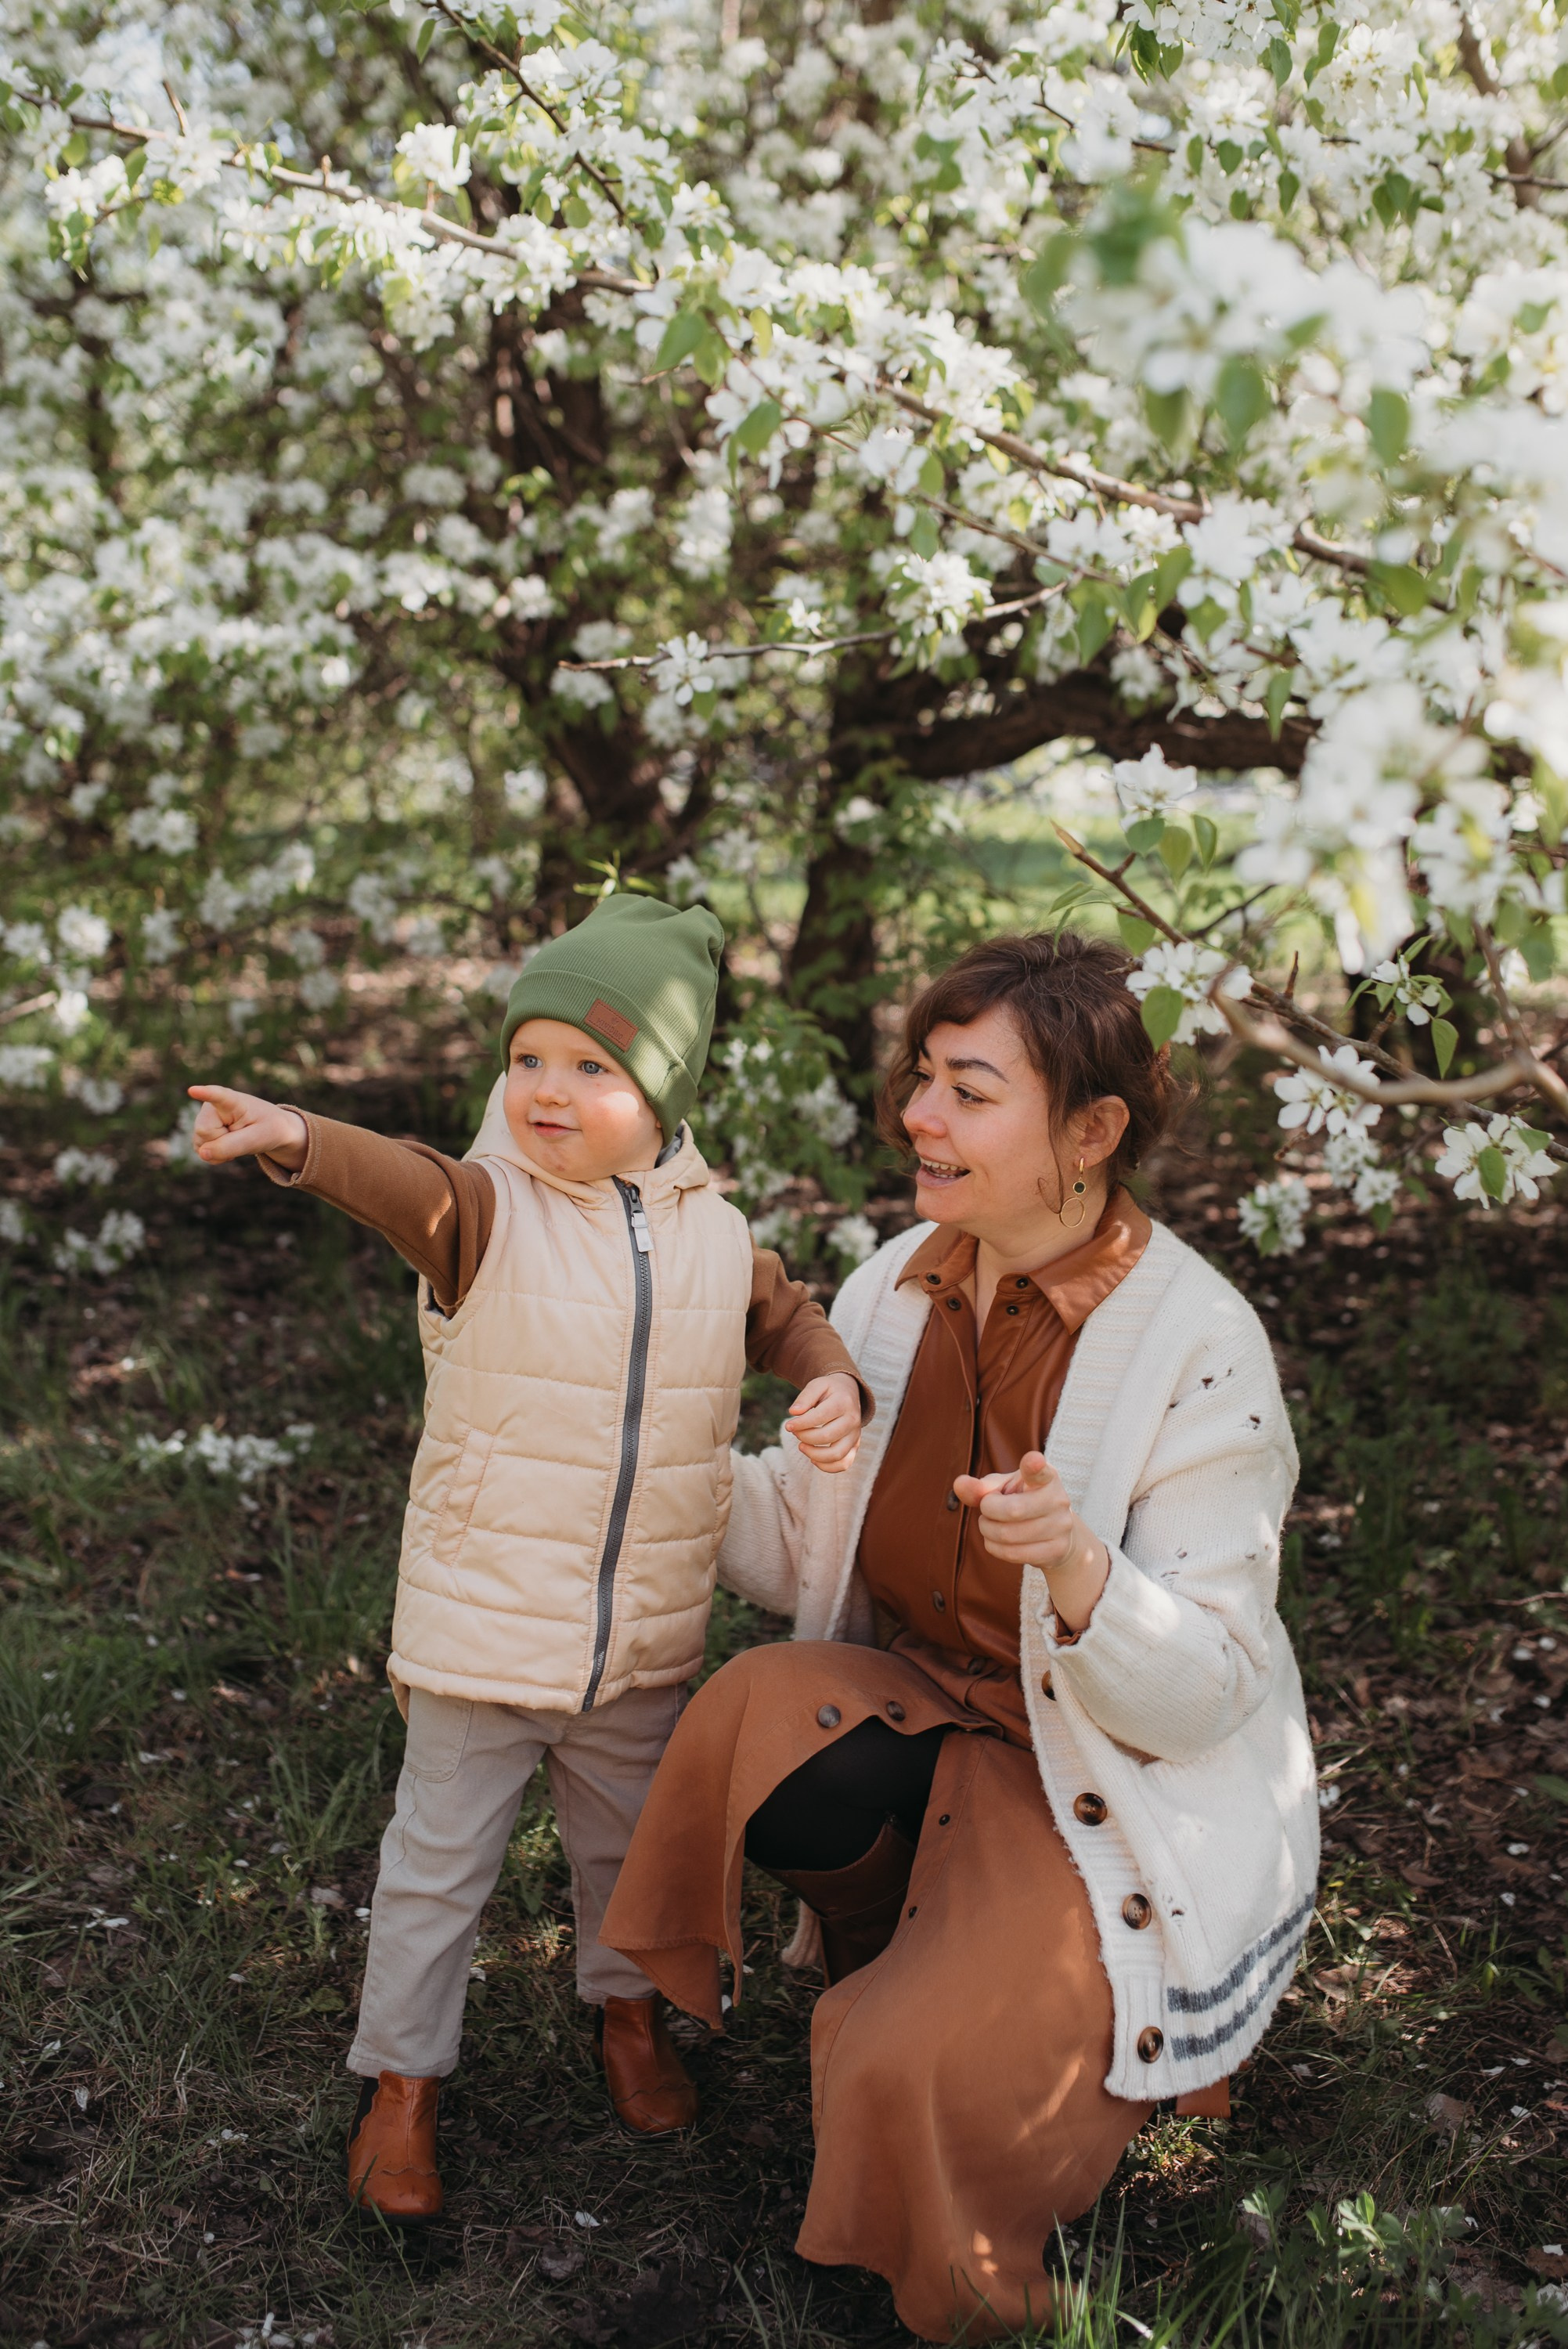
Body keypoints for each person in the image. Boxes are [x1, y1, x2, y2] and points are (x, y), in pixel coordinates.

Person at [602, 929, 1318, 2344]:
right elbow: (806, 1541)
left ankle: (1000, 2046)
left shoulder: (1201, 1344)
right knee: (761, 1702)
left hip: (1113, 1786)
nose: (919, 1116)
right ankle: (901, 1945)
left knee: (903, 2072)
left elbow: (1216, 1687)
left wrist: (1080, 1570)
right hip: (934, 1713)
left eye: (971, 1090)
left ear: (1093, 1131)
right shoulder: (896, 1287)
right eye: (923, 1076)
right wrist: (645, 1460)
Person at [185, 895, 869, 2225]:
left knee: (631, 1864)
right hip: (482, 1634)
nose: (546, 1090)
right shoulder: (484, 1214)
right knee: (438, 1867)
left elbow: (788, 1316)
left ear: (663, 1092)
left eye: (590, 1066)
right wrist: (301, 1141)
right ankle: (402, 2087)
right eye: (526, 1059)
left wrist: (830, 1378)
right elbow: (401, 1179)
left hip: (644, 1638)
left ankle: (626, 2020)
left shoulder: (716, 1237)